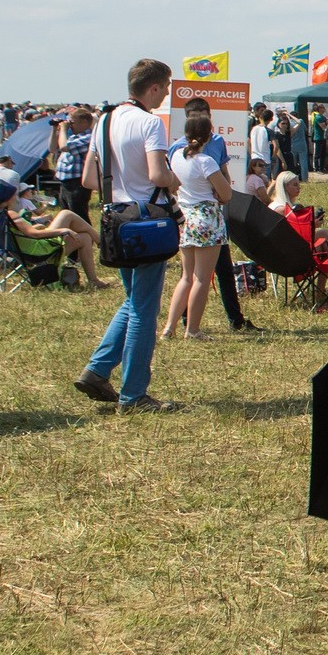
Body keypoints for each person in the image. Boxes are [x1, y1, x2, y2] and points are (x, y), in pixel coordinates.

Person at [74, 60, 179, 413]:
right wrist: (172, 178)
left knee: (133, 300)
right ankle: (134, 395)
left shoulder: (104, 120)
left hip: (113, 219)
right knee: (144, 310)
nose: (166, 93)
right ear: (152, 88)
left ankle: (98, 370)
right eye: (165, 86)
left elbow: (90, 179)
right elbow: (156, 173)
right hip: (145, 220)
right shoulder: (150, 123)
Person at [161, 103, 234, 342]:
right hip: (207, 219)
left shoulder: (177, 157)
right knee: (202, 278)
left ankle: (169, 327)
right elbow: (227, 194)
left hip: (186, 218)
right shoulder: (206, 161)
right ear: (207, 135)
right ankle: (192, 329)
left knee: (186, 277)